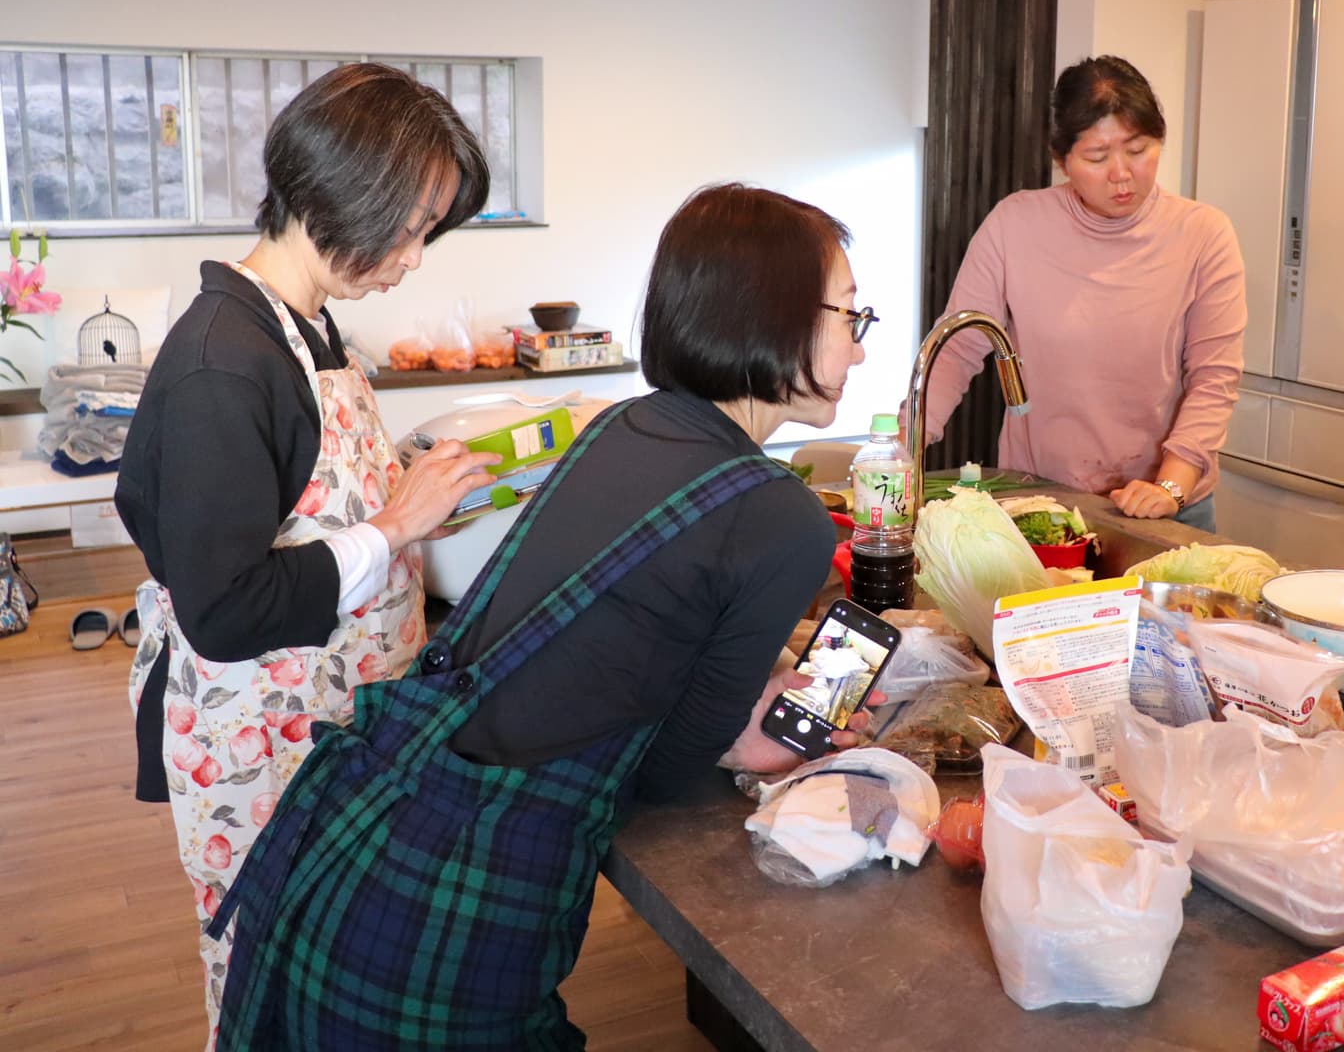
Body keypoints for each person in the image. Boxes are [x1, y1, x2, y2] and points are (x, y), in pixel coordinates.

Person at [206, 183, 880, 1049]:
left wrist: (735, 697)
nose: (860, 346)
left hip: (356, 839)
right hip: (449, 910)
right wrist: (742, 738)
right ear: (775, 316)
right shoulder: (780, 517)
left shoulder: (623, 426)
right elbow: (666, 771)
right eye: (850, 316)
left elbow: (620, 635)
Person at [117, 62, 501, 1043]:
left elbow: (311, 503)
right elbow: (225, 607)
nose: (414, 259)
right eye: (408, 228)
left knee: (329, 958)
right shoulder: (223, 362)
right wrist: (392, 527)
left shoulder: (310, 327)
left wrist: (419, 503)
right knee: (265, 975)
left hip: (329, 717)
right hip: (260, 736)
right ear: (334, 194)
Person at [918, 55, 1246, 529]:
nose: (1121, 174)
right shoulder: (1015, 225)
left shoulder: (1203, 234)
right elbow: (957, 348)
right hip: (1039, 499)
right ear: (1062, 160)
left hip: (1167, 503)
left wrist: (1169, 488)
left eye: (1138, 150)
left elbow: (1214, 378)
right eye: (1097, 157)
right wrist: (904, 445)